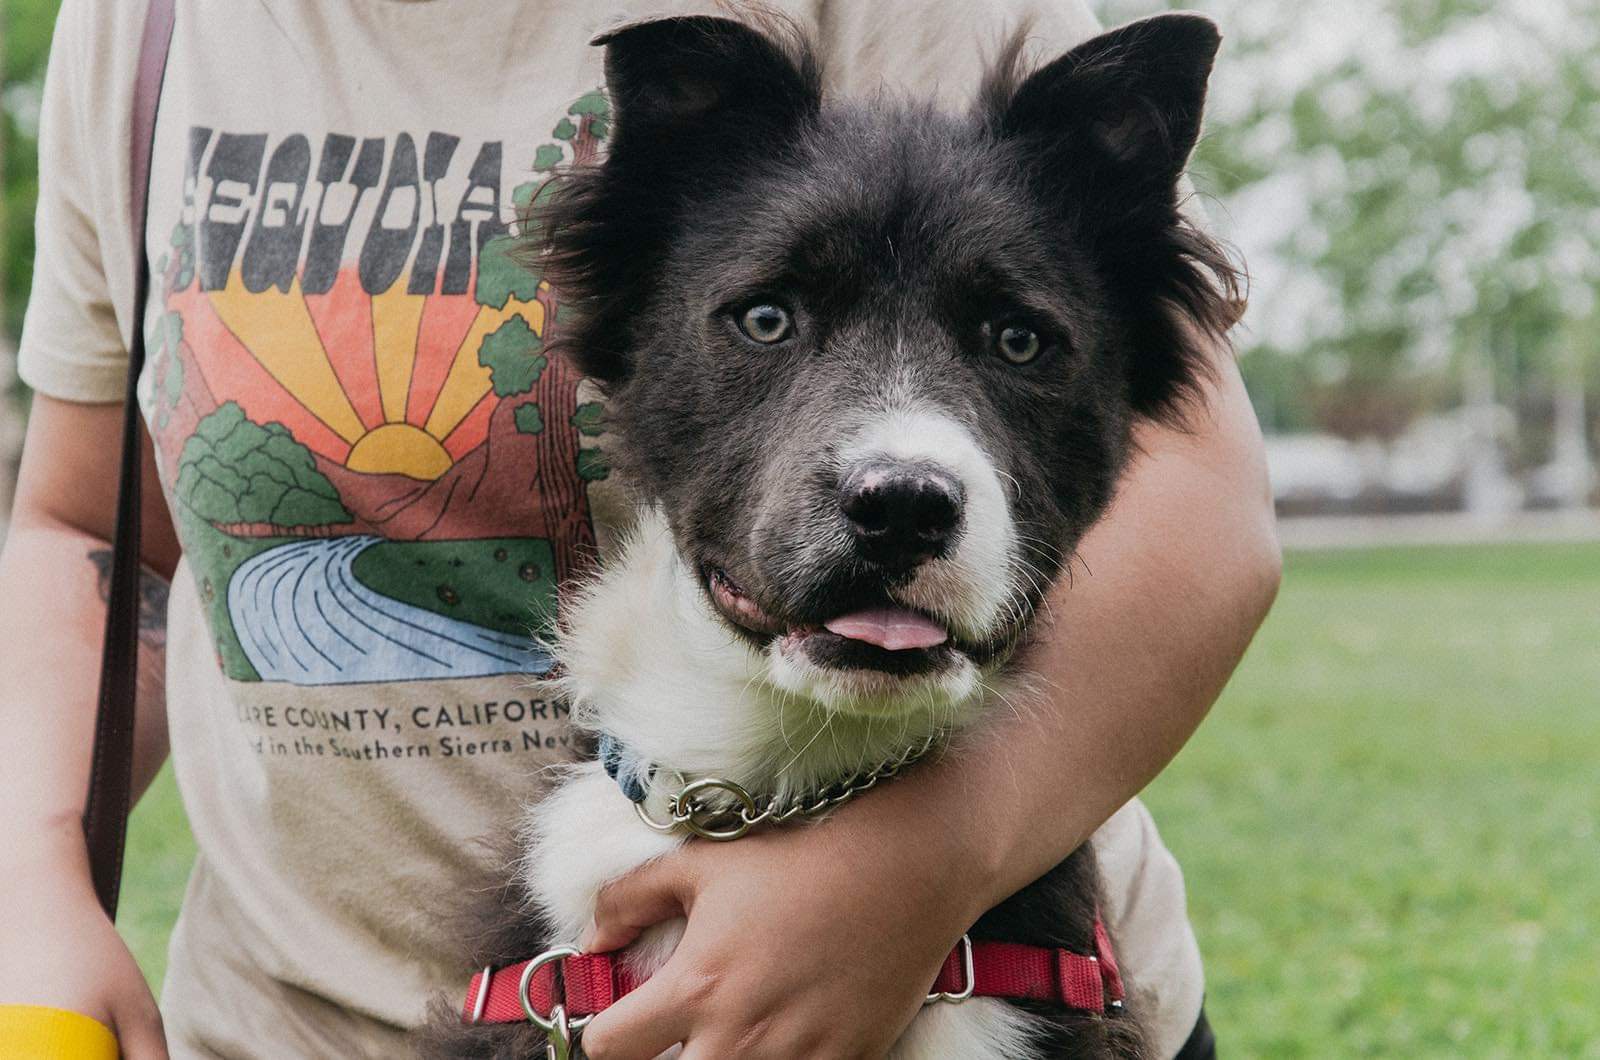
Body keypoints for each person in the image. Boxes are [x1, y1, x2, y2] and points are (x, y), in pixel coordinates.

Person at [0, 0, 1280, 1056]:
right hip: (309, 1017)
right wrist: (29, 885)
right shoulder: (144, 29)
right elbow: (83, 526)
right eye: (771, 320)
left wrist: (908, 876)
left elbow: (1203, 502)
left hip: (966, 973)